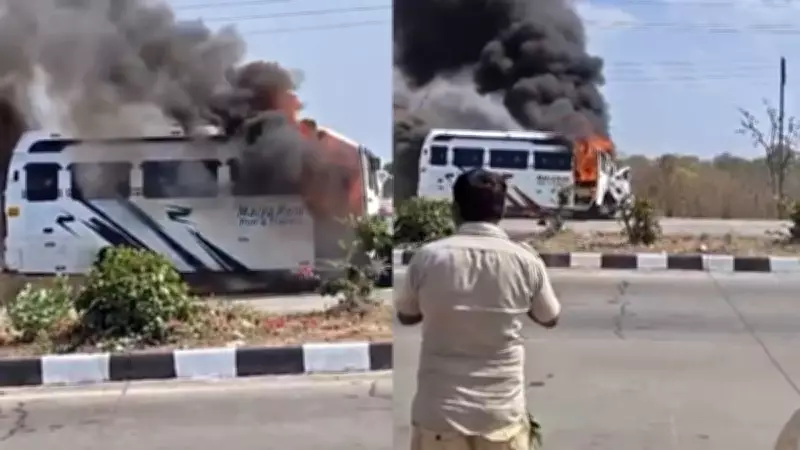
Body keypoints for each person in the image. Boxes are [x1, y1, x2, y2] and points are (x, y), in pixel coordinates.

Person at [396, 168, 562, 450]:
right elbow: (550, 317)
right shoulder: (525, 261)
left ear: (455, 209)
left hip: (439, 416)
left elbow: (406, 315)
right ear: (503, 210)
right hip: (500, 418)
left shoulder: (428, 258)